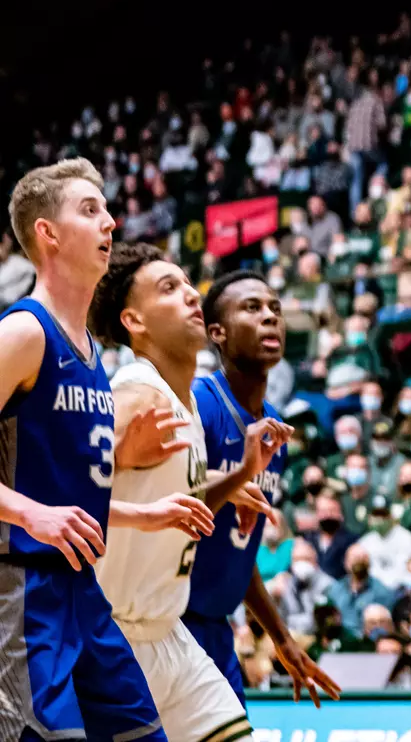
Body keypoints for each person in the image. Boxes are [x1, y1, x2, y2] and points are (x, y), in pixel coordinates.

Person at [0, 159, 217, 742]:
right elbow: (42, 510)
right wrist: (30, 515)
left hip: (82, 590)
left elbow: (61, 495)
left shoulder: (93, 354)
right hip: (21, 590)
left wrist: (143, 514)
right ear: (48, 233)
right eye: (90, 210)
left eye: (107, 209)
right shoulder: (23, 333)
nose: (111, 222)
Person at [88, 243, 293, 742]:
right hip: (113, 634)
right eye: (168, 288)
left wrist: (239, 476)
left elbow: (172, 494)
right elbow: (56, 496)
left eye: (186, 284)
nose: (190, 294)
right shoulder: (136, 390)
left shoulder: (188, 406)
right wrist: (114, 457)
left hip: (168, 634)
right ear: (134, 321)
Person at [184, 270, 342, 708]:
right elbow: (170, 507)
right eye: (252, 308)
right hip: (169, 623)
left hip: (215, 629)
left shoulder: (275, 427)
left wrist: (281, 637)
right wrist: (238, 475)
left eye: (275, 308)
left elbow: (241, 551)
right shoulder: (197, 405)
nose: (270, 317)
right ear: (217, 332)